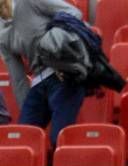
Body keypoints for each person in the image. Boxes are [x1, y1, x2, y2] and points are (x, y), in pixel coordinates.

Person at [0, 0, 86, 146]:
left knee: (58, 140)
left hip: (66, 70)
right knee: (24, 139)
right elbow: (18, 79)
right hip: (39, 80)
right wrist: (28, 111)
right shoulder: (1, 33)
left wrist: (55, 50)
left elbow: (74, 13)